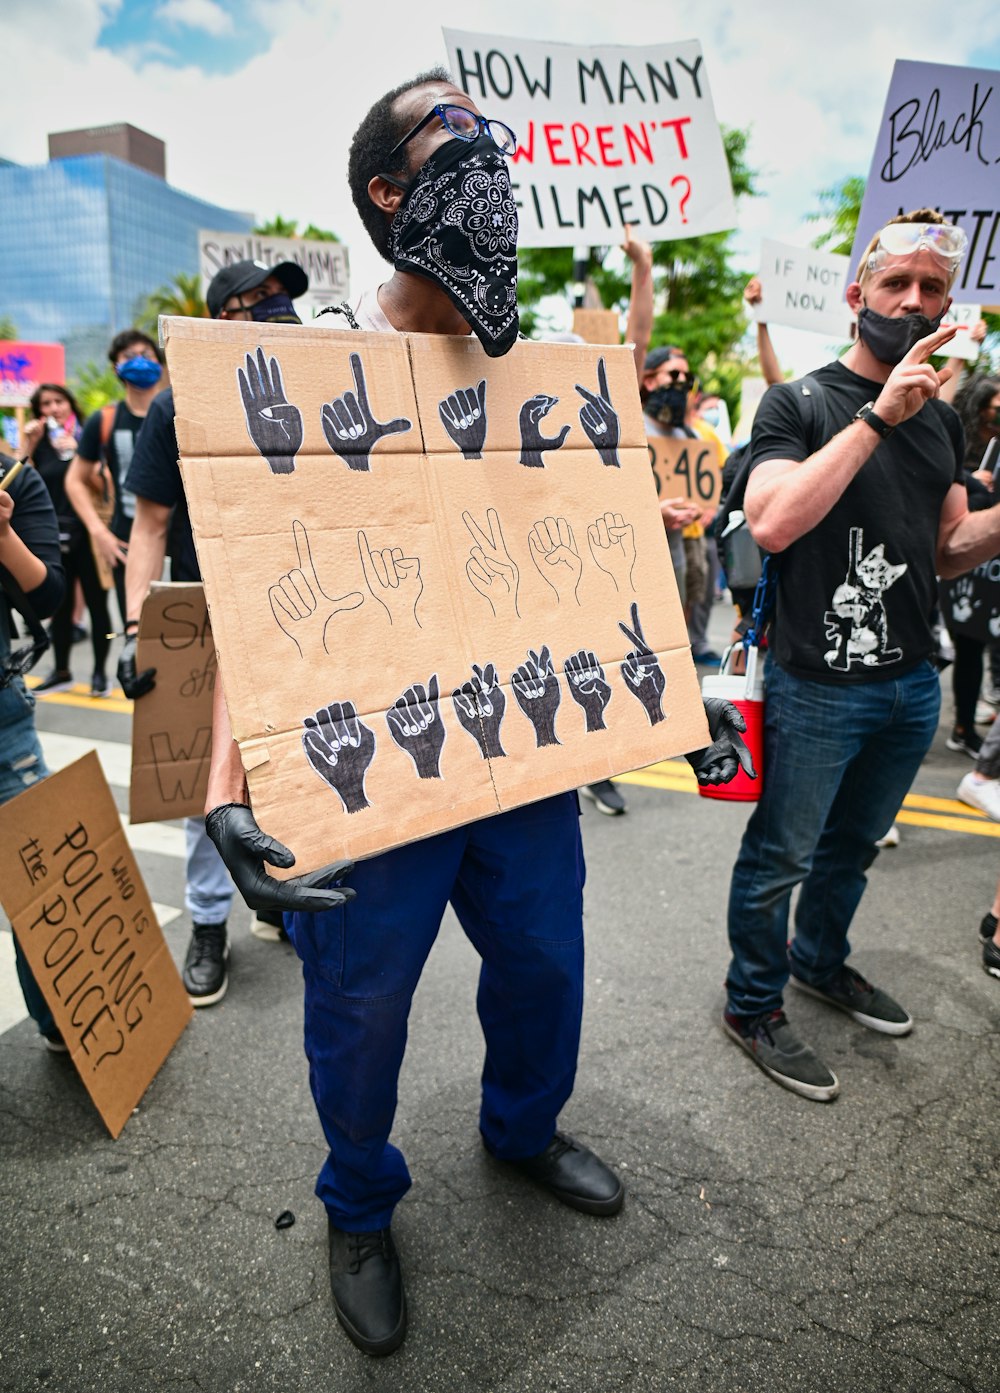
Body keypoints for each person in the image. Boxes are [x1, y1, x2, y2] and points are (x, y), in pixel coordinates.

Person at [200, 68, 750, 1359]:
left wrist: (671, 677)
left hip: (520, 757)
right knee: (362, 1006)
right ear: (391, 192)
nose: (493, 158)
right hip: (368, 773)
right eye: (458, 137)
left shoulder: (546, 367)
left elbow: (591, 546)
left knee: (547, 961)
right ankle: (357, 1201)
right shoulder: (308, 355)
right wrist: (226, 784)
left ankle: (522, 1127)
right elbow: (250, 593)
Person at [721, 209, 1000, 1102]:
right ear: (856, 298)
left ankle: (819, 960)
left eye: (933, 289)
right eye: (897, 285)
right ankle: (752, 1002)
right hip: (816, 686)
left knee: (852, 852)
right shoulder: (799, 402)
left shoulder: (945, 426)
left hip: (912, 686)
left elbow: (949, 546)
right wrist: (880, 416)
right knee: (782, 857)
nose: (915, 302)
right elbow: (771, 521)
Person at [118, 259, 307, 1006]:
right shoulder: (175, 407)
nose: (271, 305)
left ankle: (278, 892)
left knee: (290, 762)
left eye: (277, 294)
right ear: (219, 318)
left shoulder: (311, 373)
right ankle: (206, 923)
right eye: (253, 299)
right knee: (209, 781)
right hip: (207, 609)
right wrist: (140, 626)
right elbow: (150, 523)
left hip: (298, 599)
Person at [0, 452, 66, 1045]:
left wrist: (2, 536)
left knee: (36, 880)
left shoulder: (12, 476)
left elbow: (50, 596)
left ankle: (60, 1021)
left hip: (3, 726)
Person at [65, 330, 166, 632]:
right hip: (129, 542)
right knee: (140, 633)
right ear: (115, 368)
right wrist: (100, 532)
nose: (139, 361)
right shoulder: (105, 420)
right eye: (129, 356)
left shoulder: (177, 412)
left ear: (160, 363)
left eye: (146, 355)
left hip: (180, 542)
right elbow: (75, 480)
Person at [20, 384, 111, 696]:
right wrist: (30, 443)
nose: (53, 408)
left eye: (59, 401)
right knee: (60, 606)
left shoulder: (88, 437)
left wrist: (79, 453)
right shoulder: (40, 444)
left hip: (89, 534)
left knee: (98, 607)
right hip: (52, 535)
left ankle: (100, 673)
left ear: (70, 403)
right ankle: (61, 671)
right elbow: (21, 484)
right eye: (45, 404)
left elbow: (105, 486)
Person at [943, 374, 1000, 757]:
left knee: (975, 646)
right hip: (959, 560)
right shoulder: (954, 438)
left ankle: (965, 724)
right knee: (953, 646)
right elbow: (937, 477)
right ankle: (962, 725)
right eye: (995, 408)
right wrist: (969, 479)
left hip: (991, 560)